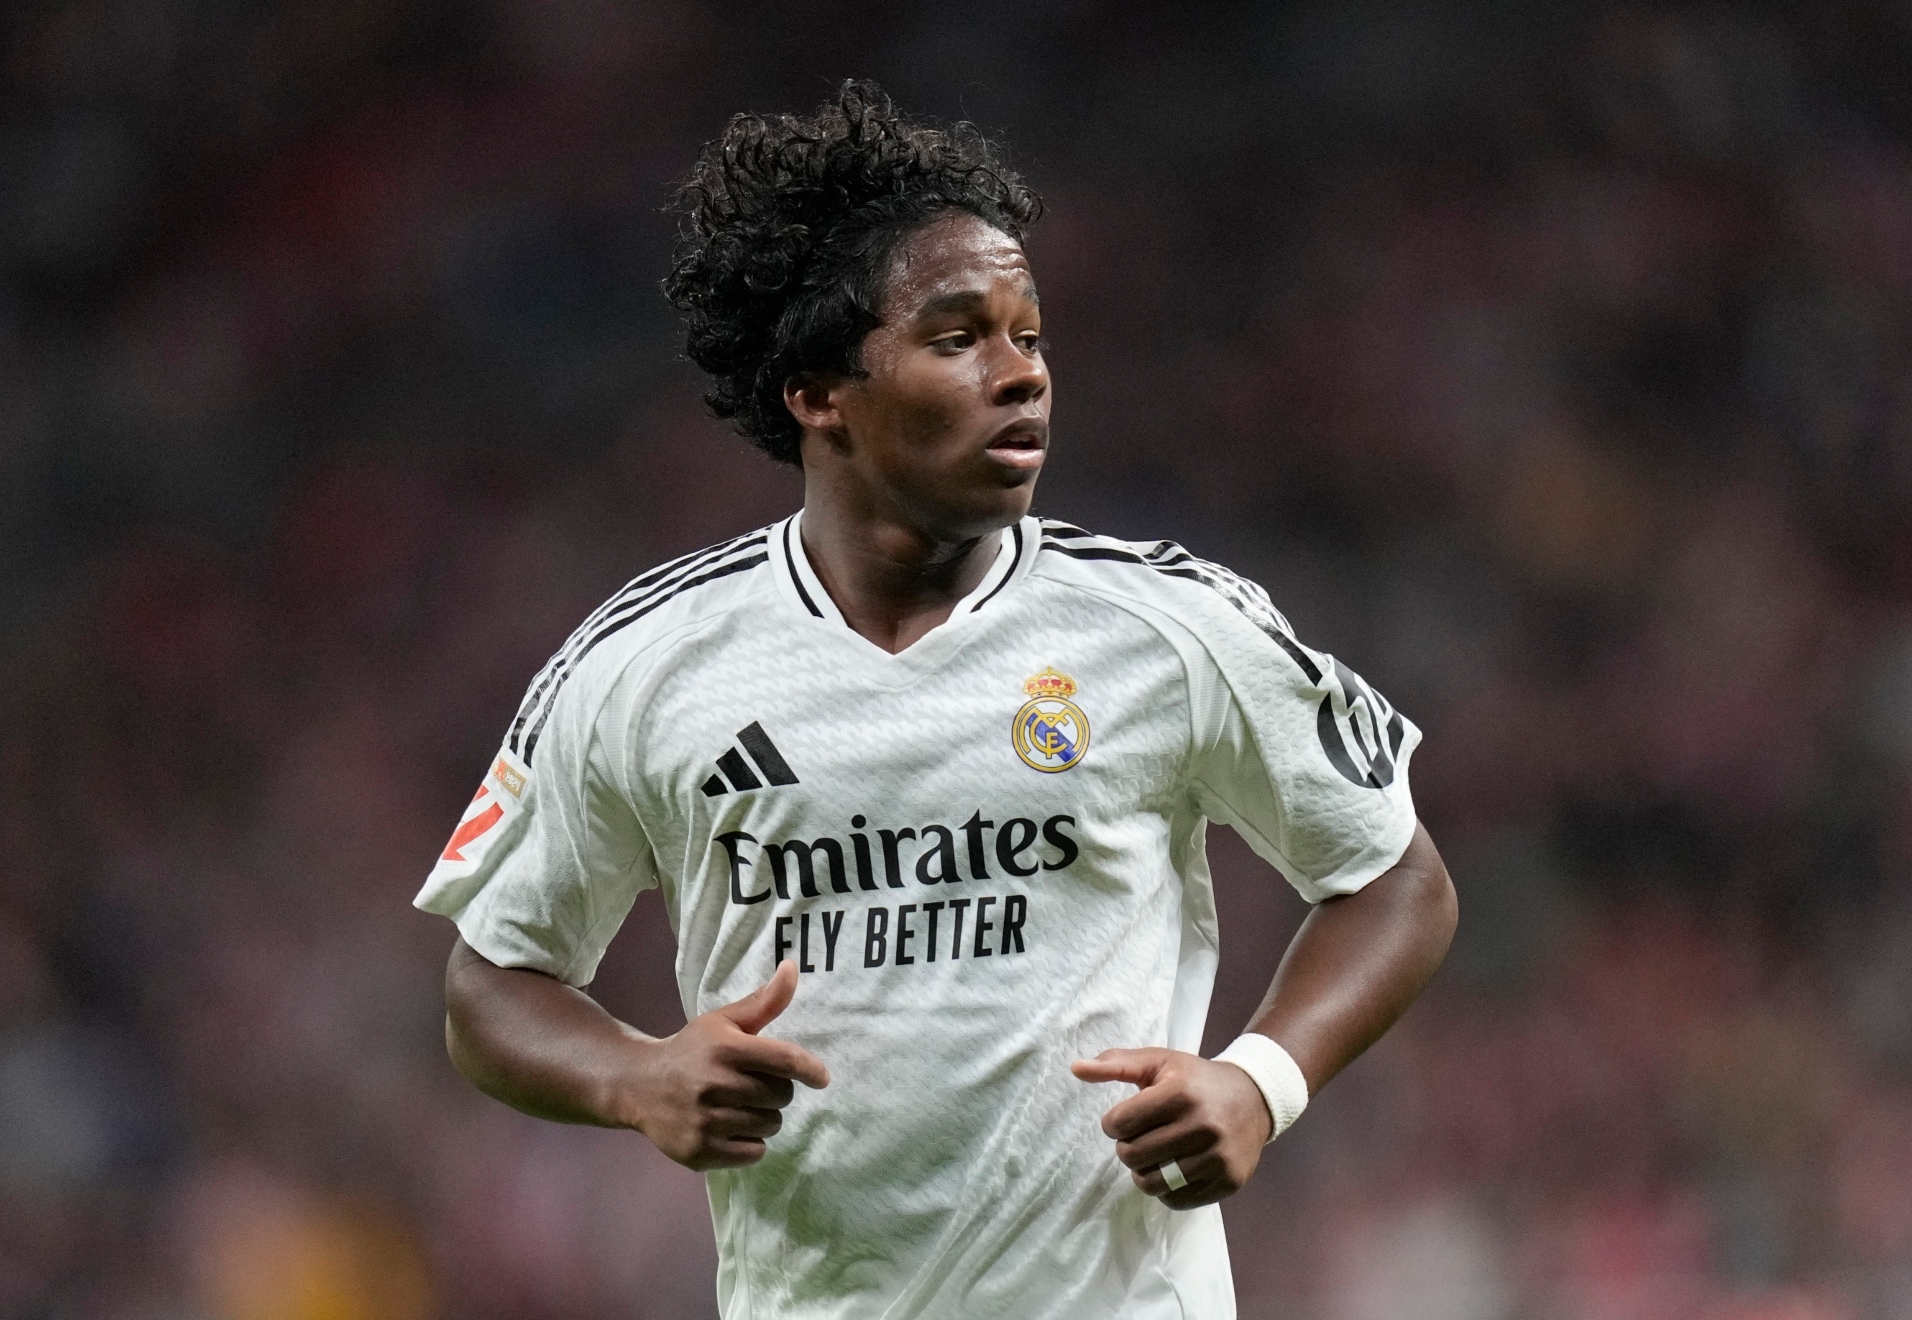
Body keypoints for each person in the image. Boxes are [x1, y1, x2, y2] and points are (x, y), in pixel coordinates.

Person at [416, 81, 1457, 1319]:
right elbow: (490, 986)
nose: (1022, 378)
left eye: (1032, 337)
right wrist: (635, 1076)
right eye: (961, 338)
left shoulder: (1168, 626)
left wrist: (1261, 1079)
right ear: (817, 392)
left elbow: (1398, 877)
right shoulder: (645, 665)